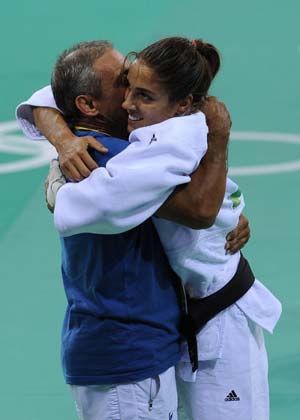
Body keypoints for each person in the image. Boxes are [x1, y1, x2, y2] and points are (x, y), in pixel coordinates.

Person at [44, 37, 280, 420]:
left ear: (182, 102)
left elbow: (202, 210)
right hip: (138, 348)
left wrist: (59, 176)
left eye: (141, 92)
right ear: (87, 104)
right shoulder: (113, 153)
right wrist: (62, 143)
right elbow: (46, 101)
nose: (128, 101)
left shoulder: (155, 145)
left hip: (211, 320)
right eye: (124, 84)